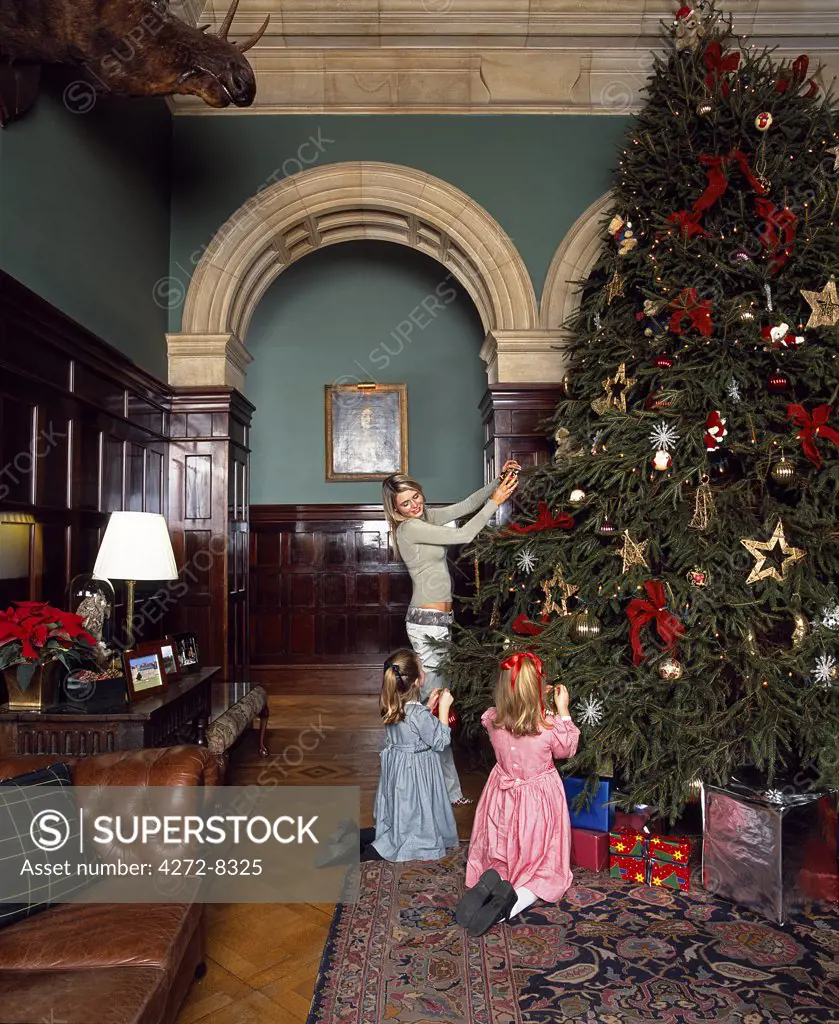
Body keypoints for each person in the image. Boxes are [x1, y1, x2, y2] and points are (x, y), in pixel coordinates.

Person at [382, 463, 520, 803]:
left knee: (439, 703)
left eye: (416, 497)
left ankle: (438, 787)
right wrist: (497, 502)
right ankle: (435, 788)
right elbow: (463, 534)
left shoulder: (425, 517)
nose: (415, 506)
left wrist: (495, 483)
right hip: (426, 624)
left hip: (440, 624)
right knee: (435, 705)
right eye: (406, 504)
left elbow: (463, 506)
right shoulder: (408, 531)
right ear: (396, 511)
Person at [456, 652, 580, 937]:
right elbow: (567, 748)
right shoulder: (548, 728)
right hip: (536, 801)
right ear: (540, 688)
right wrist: (562, 710)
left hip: (501, 796)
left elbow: (513, 717)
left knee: (502, 850)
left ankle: (494, 879)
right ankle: (512, 903)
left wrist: (532, 702)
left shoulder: (493, 720)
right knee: (543, 867)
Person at [360, 648, 459, 862]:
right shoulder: (418, 714)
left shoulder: (393, 705)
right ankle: (387, 847)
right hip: (416, 773)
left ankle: (372, 836)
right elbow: (440, 741)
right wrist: (443, 709)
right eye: (422, 668)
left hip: (399, 771)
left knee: (403, 808)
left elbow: (411, 729)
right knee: (414, 809)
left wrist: (428, 706)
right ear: (417, 681)